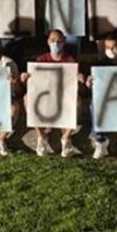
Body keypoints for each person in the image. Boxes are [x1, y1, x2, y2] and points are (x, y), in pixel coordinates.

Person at [21, 29, 84, 157]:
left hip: (62, 96)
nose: (56, 43)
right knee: (27, 98)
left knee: (78, 100)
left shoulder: (70, 60)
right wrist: (25, 78)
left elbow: (78, 87)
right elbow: (32, 85)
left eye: (59, 41)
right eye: (53, 40)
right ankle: (41, 136)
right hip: (45, 97)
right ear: (48, 42)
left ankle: (66, 138)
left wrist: (80, 79)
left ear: (64, 42)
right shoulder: (41, 60)